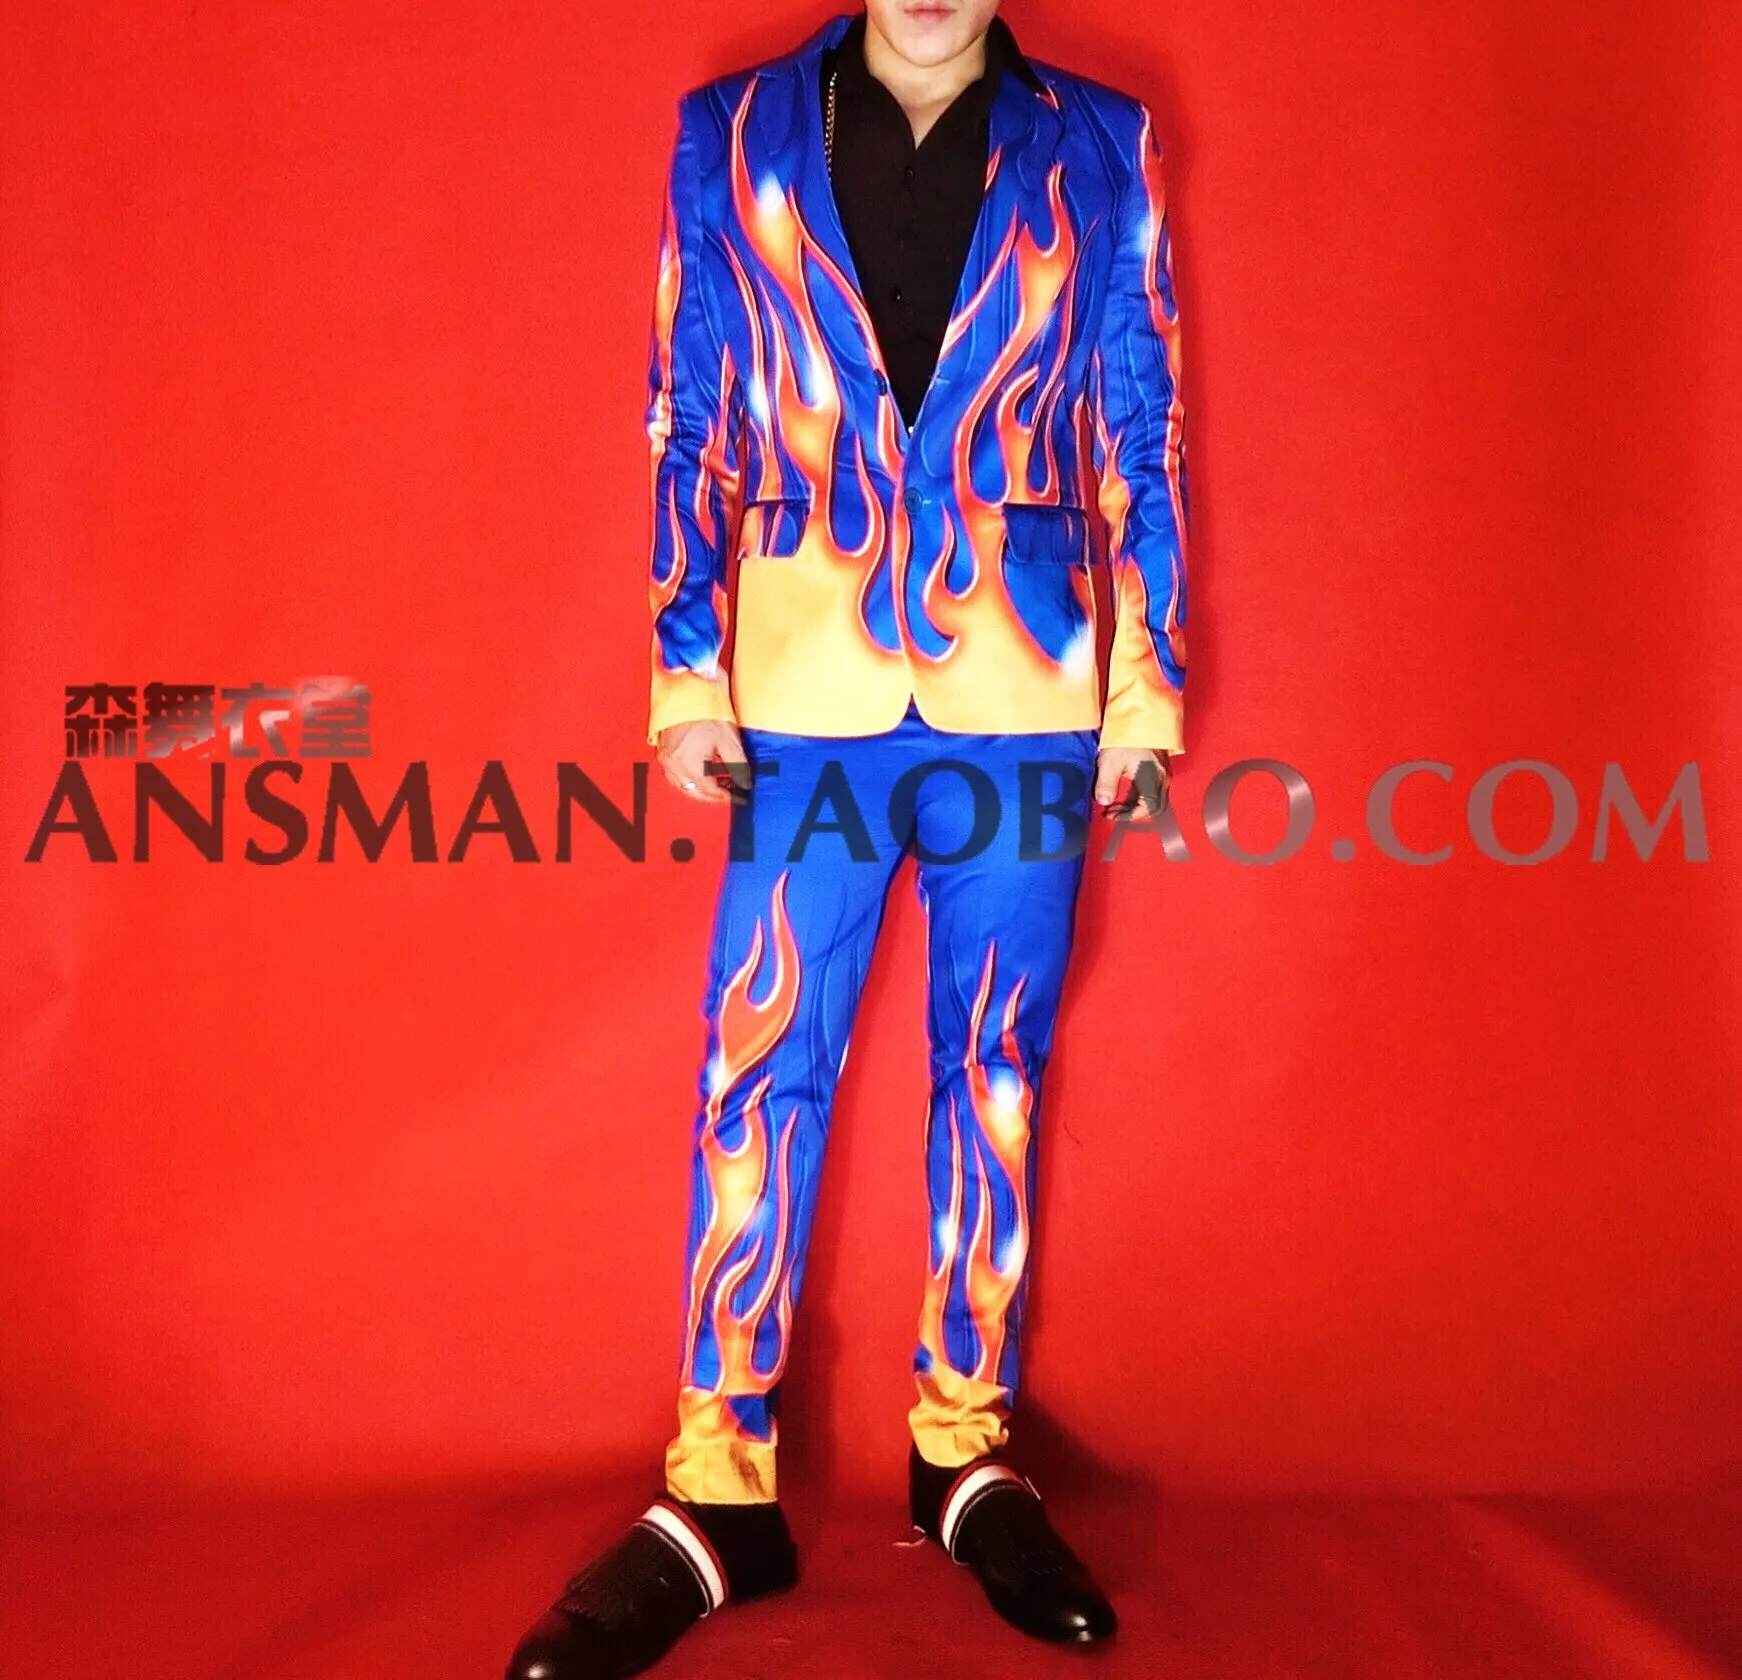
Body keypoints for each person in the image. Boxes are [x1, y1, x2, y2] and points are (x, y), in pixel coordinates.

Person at [508, 2, 1186, 1672]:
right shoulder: (730, 132)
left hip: (1026, 688)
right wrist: (684, 669)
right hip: (801, 689)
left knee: (995, 1070)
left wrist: (1145, 693)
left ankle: (963, 1453)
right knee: (758, 1067)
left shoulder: (1101, 140)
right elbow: (687, 407)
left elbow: (1140, 415)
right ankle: (717, 1491)